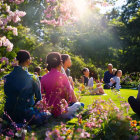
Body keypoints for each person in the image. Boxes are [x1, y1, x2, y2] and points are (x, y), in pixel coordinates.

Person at [3, 50, 50, 126]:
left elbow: (6, 95)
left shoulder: (6, 78)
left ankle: (15, 125)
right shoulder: (33, 78)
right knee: (47, 114)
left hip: (8, 115)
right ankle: (23, 125)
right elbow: (39, 99)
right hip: (26, 115)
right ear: (28, 61)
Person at [41, 52, 84, 119]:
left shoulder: (43, 78)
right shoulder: (62, 76)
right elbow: (69, 97)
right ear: (60, 63)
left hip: (48, 111)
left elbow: (42, 94)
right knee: (80, 104)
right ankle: (72, 116)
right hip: (62, 112)